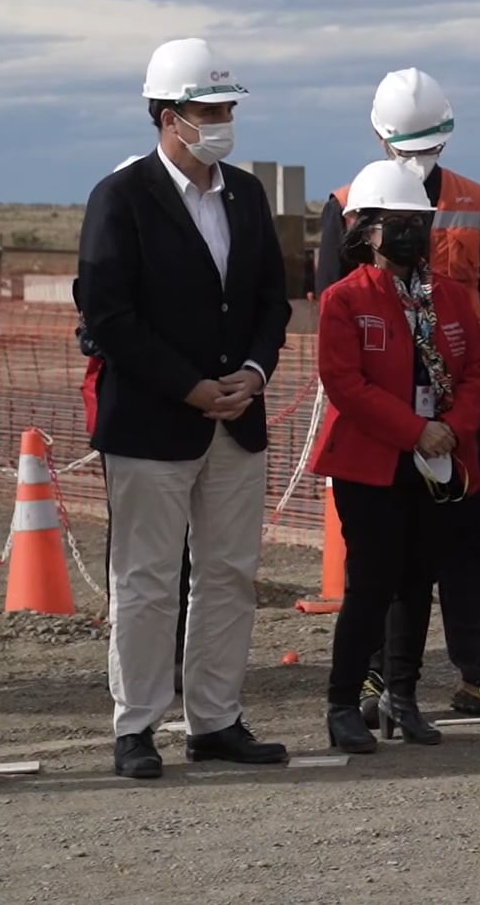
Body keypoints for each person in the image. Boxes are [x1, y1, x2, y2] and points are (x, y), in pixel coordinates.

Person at [74, 38, 292, 779]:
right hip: (151, 423)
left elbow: (269, 297)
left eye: (228, 107)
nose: (224, 120)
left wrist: (255, 372)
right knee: (146, 576)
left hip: (238, 418)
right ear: (169, 116)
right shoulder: (123, 197)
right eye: (210, 109)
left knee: (229, 572)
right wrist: (189, 385)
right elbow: (108, 314)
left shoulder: (246, 194)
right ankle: (136, 726)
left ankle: (215, 718)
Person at [314, 68, 480, 724]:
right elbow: (340, 327)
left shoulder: (471, 199)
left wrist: (447, 413)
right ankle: (374, 679)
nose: (420, 156)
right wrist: (408, 421)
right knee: (381, 562)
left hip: (454, 415)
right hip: (382, 425)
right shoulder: (347, 201)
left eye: (431, 141)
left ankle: (476, 670)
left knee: (462, 541)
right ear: (381, 139)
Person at [311, 160, 480, 753]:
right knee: (370, 583)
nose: (410, 233)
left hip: (436, 459)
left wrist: (451, 429)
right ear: (366, 230)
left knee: (418, 582)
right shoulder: (345, 300)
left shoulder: (447, 297)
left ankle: (403, 696)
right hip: (372, 462)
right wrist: (416, 431)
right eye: (396, 223)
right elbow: (346, 383)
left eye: (418, 221)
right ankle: (344, 702)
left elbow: (476, 371)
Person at [81, 154, 192, 696]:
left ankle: (177, 655)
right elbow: (106, 319)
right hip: (136, 420)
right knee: (141, 563)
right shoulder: (115, 232)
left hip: (188, 415)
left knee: (191, 558)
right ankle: (142, 675)